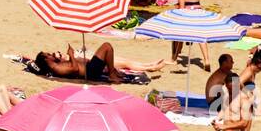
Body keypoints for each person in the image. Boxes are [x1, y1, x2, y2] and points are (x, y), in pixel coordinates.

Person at [31, 43, 167, 83]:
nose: (50, 54)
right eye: (47, 55)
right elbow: (72, 69)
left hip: (90, 68)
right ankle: (113, 74)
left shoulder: (57, 64)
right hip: (91, 72)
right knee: (107, 47)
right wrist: (72, 55)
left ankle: (113, 73)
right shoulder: (56, 67)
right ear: (45, 60)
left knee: (109, 50)